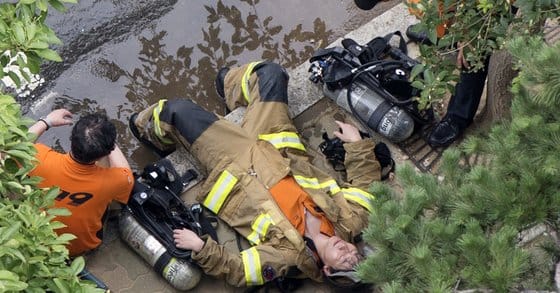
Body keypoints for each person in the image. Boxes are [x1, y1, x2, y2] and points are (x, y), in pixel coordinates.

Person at [129, 61, 381, 287]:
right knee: (270, 73)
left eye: (344, 261)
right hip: (276, 144)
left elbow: (238, 271)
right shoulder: (352, 221)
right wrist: (356, 145)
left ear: (327, 269)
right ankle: (228, 87)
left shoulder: (287, 259)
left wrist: (201, 248)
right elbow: (367, 185)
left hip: (234, 161)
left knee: (175, 111)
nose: (347, 250)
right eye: (355, 253)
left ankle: (148, 132)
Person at [29, 110, 133, 257]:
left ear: (71, 137)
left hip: (39, 239)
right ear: (106, 151)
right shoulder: (116, 180)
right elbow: (126, 173)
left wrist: (47, 121)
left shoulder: (40, 158)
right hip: (80, 247)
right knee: (116, 195)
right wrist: (108, 143)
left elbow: (9, 150)